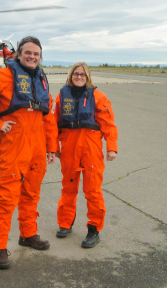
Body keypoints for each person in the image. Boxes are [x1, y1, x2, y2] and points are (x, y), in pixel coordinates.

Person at [0, 36, 58, 269]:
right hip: (14, 147)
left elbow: (48, 116)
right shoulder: (2, 76)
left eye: (36, 54)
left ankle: (28, 234)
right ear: (18, 55)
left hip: (37, 148)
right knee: (7, 198)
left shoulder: (42, 80)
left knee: (31, 193)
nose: (32, 57)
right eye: (28, 53)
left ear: (40, 57)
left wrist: (51, 147)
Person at [51, 62, 118, 248]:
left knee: (93, 191)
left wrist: (111, 147)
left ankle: (94, 229)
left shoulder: (98, 96)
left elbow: (108, 124)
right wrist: (53, 146)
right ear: (70, 76)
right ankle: (65, 223)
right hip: (69, 148)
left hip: (91, 149)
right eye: (75, 74)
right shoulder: (61, 97)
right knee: (68, 189)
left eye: (82, 74)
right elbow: (53, 123)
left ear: (88, 77)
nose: (79, 77)